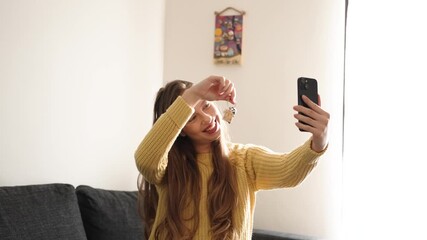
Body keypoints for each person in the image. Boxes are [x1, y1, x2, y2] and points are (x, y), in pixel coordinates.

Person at [134, 75, 329, 240]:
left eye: (207, 106)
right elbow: (145, 159)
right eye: (191, 116)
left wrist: (319, 141)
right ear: (180, 130)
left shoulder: (244, 160)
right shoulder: (169, 168)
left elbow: (289, 171)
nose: (208, 118)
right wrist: (193, 95)